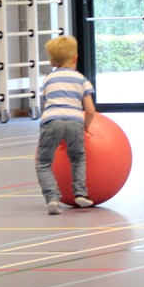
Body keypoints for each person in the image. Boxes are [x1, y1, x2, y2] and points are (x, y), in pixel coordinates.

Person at [35, 35, 97, 214]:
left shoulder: (48, 79)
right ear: (75, 58)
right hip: (75, 121)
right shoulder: (81, 80)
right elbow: (90, 110)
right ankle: (80, 194)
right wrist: (86, 125)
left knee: (43, 163)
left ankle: (52, 198)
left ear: (52, 62)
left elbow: (45, 105)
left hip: (51, 121)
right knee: (78, 158)